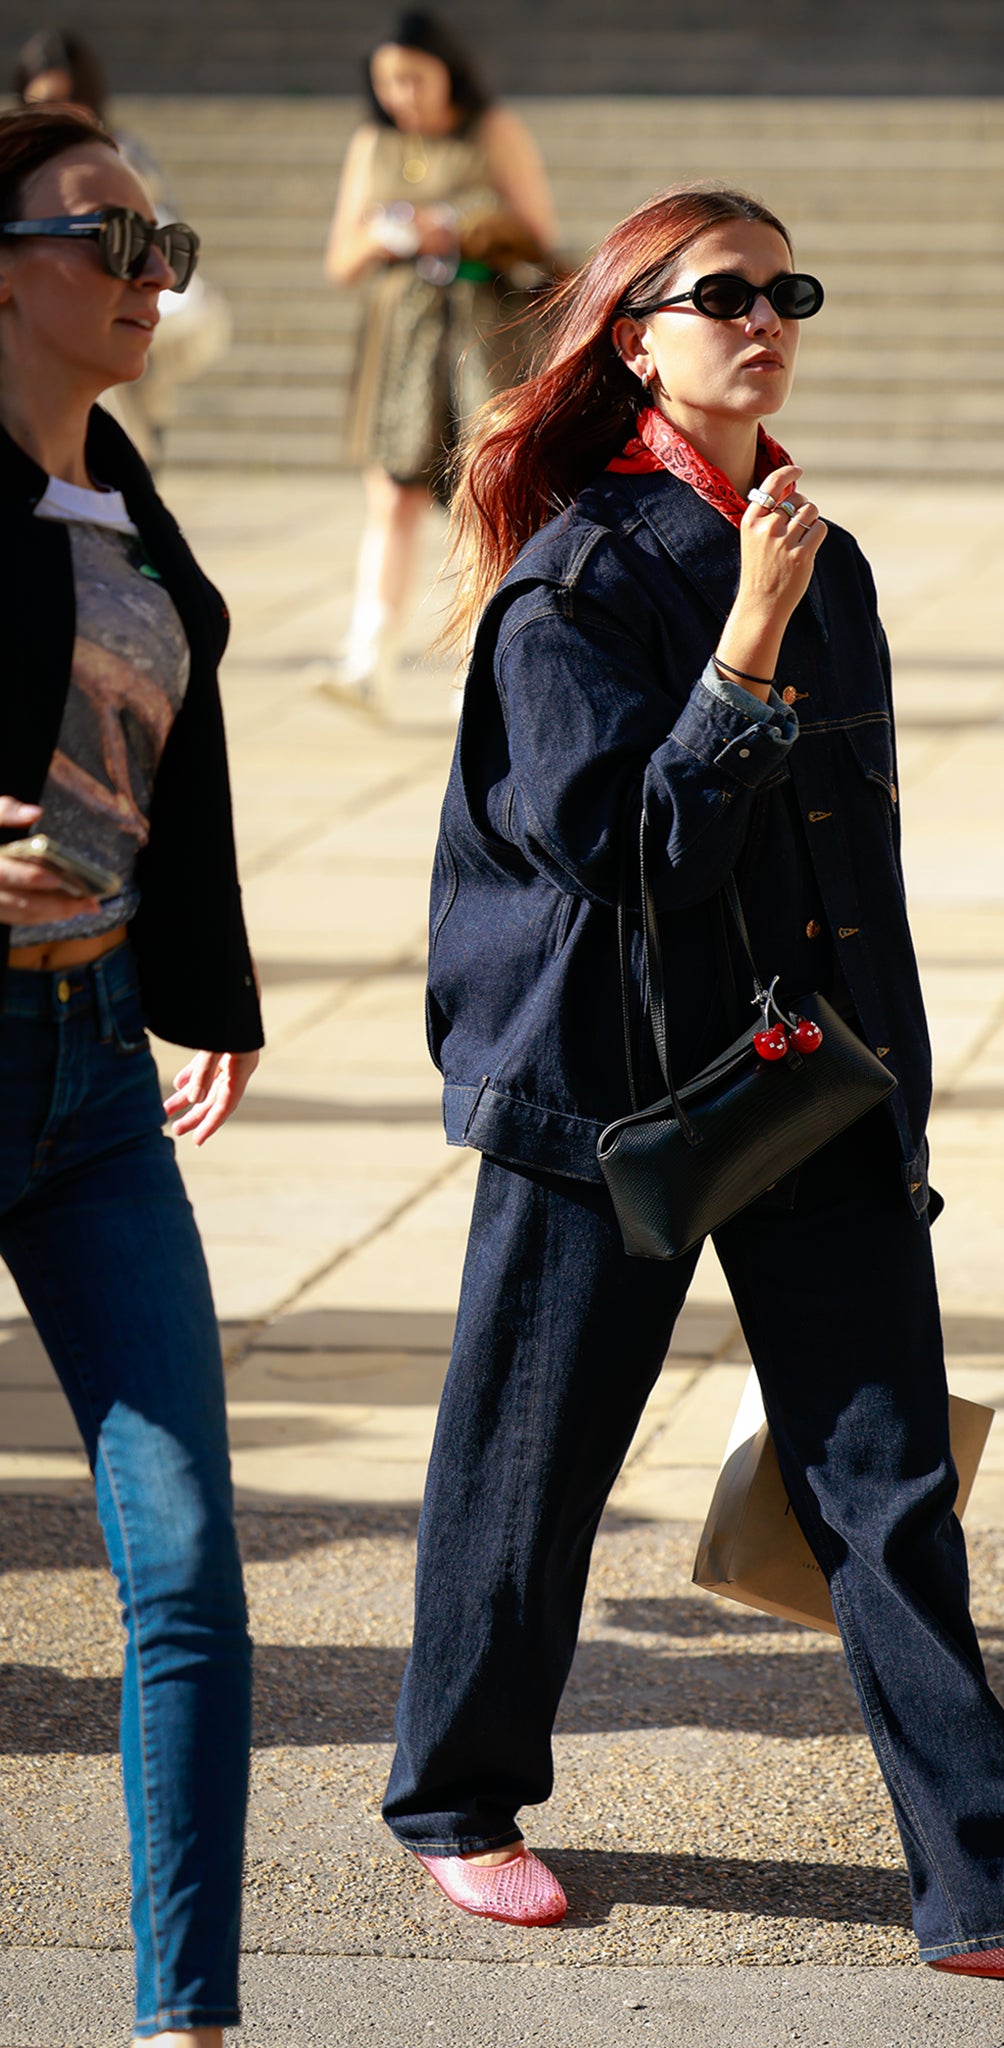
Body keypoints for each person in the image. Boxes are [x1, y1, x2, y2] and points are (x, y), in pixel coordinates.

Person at [382, 183, 1004, 1987]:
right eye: (719, 291)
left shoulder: (823, 550)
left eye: (786, 287)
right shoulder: (579, 576)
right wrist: (740, 643)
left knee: (885, 1483)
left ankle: (989, 1895)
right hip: (614, 1096)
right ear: (631, 335)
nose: (764, 314)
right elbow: (621, 851)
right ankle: (458, 1798)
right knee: (532, 1458)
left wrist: (903, 1101)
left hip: (805, 1080)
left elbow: (853, 867)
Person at [0, 104, 262, 2044]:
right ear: (5, 268)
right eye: (106, 238)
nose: (144, 275)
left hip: (93, 1079)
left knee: (183, 1572)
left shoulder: (123, 486)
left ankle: (189, 2019)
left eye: (159, 242)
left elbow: (191, 733)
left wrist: (206, 986)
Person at [323, 7, 558, 712]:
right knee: (390, 490)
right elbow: (341, 260)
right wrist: (387, 235)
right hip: (400, 336)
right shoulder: (374, 143)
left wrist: (457, 226)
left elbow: (540, 236)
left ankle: (484, 658)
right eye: (387, 82)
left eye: (413, 78)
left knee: (485, 493)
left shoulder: (492, 131)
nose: (401, 95)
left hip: (480, 332)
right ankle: (368, 658)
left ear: (447, 71)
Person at [12, 26, 231, 465]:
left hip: (125, 387)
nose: (56, 113)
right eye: (41, 102)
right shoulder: (16, 165)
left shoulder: (124, 158)